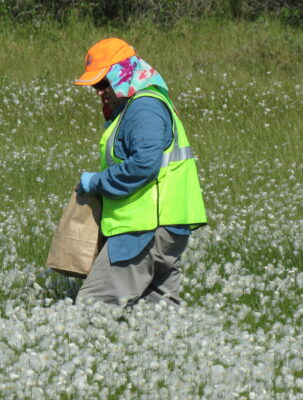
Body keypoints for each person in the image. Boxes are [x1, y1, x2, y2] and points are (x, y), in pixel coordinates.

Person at [73, 37, 207, 307]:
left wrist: (95, 182)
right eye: (94, 86)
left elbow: (143, 166)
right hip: (163, 227)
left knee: (94, 308)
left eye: (102, 83)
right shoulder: (140, 105)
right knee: (157, 317)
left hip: (144, 230)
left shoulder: (144, 107)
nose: (98, 92)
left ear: (121, 74)